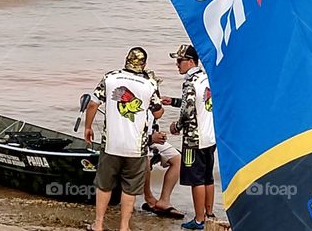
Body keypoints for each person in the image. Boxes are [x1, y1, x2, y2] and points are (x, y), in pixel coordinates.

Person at [85, 48, 163, 231]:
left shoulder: (110, 77)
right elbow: (158, 112)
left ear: (126, 60)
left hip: (111, 144)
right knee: (130, 188)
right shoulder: (149, 83)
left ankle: (98, 224)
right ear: (144, 64)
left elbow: (93, 103)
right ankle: (124, 227)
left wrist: (88, 127)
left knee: (104, 185)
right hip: (136, 147)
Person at [168, 44, 217, 230]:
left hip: (193, 140)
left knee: (196, 179)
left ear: (190, 62)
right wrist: (172, 101)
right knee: (208, 177)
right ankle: (209, 214)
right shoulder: (207, 78)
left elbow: (188, 111)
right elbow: (199, 103)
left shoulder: (189, 82)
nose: (176, 64)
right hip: (210, 137)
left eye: (179, 61)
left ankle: (199, 220)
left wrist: (176, 126)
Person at [141, 70, 184, 220]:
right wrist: (150, 138)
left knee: (178, 159)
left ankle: (164, 200)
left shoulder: (154, 103)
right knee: (145, 159)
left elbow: (154, 122)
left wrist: (158, 136)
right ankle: (149, 197)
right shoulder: (136, 103)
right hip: (140, 142)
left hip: (151, 140)